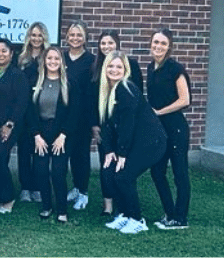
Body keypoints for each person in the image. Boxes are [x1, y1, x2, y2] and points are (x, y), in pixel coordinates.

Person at [98, 51, 166, 234]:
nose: (114, 70)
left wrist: (122, 153)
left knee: (124, 176)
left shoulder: (126, 88)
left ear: (125, 69)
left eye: (119, 66)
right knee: (113, 174)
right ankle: (125, 215)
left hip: (152, 142)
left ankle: (137, 220)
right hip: (137, 141)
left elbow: (128, 125)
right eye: (111, 66)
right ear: (105, 68)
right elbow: (106, 125)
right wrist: (109, 150)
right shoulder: (106, 91)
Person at [90, 29, 144, 216]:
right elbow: (91, 100)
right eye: (103, 43)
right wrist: (95, 125)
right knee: (106, 163)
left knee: (123, 166)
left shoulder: (132, 66)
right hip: (104, 126)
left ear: (117, 44)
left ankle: (125, 206)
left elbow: (136, 99)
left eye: (110, 43)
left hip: (125, 126)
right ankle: (108, 206)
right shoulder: (96, 67)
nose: (106, 46)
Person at [27, 47, 79, 223]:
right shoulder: (35, 81)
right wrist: (36, 135)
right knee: (41, 171)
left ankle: (62, 210)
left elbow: (74, 113)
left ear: (62, 62)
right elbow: (29, 111)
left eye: (56, 59)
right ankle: (47, 206)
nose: (53, 62)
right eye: (49, 58)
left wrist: (63, 135)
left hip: (62, 135)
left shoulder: (69, 83)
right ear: (44, 61)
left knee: (58, 172)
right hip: (40, 134)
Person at [147, 28, 192, 230]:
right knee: (157, 171)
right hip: (159, 130)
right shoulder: (150, 67)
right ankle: (169, 213)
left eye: (163, 43)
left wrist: (160, 112)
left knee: (179, 173)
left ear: (169, 47)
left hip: (176, 129)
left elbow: (185, 100)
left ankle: (180, 218)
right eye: (156, 42)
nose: (158, 46)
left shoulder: (175, 69)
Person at [0, 39, 28, 214]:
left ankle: (8, 199)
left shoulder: (17, 75)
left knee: (0, 160)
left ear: (11, 54)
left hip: (9, 125)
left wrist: (9, 124)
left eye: (4, 51)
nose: (0, 54)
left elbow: (21, 102)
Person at [15, 22, 50, 203]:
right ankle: (25, 188)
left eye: (40, 35)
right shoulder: (21, 58)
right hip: (24, 109)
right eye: (33, 35)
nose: (36, 39)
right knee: (24, 151)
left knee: (39, 151)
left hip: (41, 110)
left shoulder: (48, 58)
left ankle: (37, 187)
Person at [62, 20, 95, 211]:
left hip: (83, 117)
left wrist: (93, 122)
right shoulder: (61, 58)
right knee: (64, 154)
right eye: (72, 35)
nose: (75, 38)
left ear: (85, 38)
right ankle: (73, 188)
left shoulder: (91, 61)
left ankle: (83, 191)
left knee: (80, 155)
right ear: (66, 37)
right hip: (63, 116)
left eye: (79, 35)